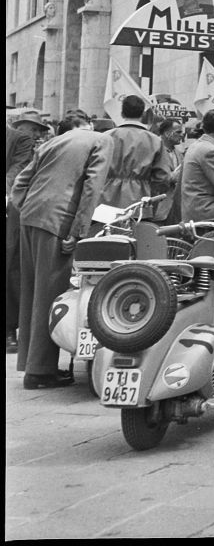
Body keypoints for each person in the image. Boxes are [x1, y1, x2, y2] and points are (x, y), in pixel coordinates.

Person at [12, 114, 110, 388]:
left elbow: (21, 181)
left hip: (32, 214)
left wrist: (29, 207)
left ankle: (31, 364)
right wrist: (77, 231)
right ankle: (40, 370)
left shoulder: (53, 141)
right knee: (50, 293)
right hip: (58, 218)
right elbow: (92, 188)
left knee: (32, 292)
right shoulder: (102, 140)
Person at [6, 110, 49, 354]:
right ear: (18, 124)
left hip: (12, 206)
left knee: (12, 264)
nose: (34, 134)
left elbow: (16, 171)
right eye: (31, 128)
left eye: (37, 130)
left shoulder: (20, 141)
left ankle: (10, 328)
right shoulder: (21, 140)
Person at [99, 95, 171, 216]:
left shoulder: (106, 137)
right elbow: (163, 178)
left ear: (122, 113)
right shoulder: (154, 141)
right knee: (136, 233)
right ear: (143, 114)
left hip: (105, 202)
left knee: (106, 233)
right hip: (139, 204)